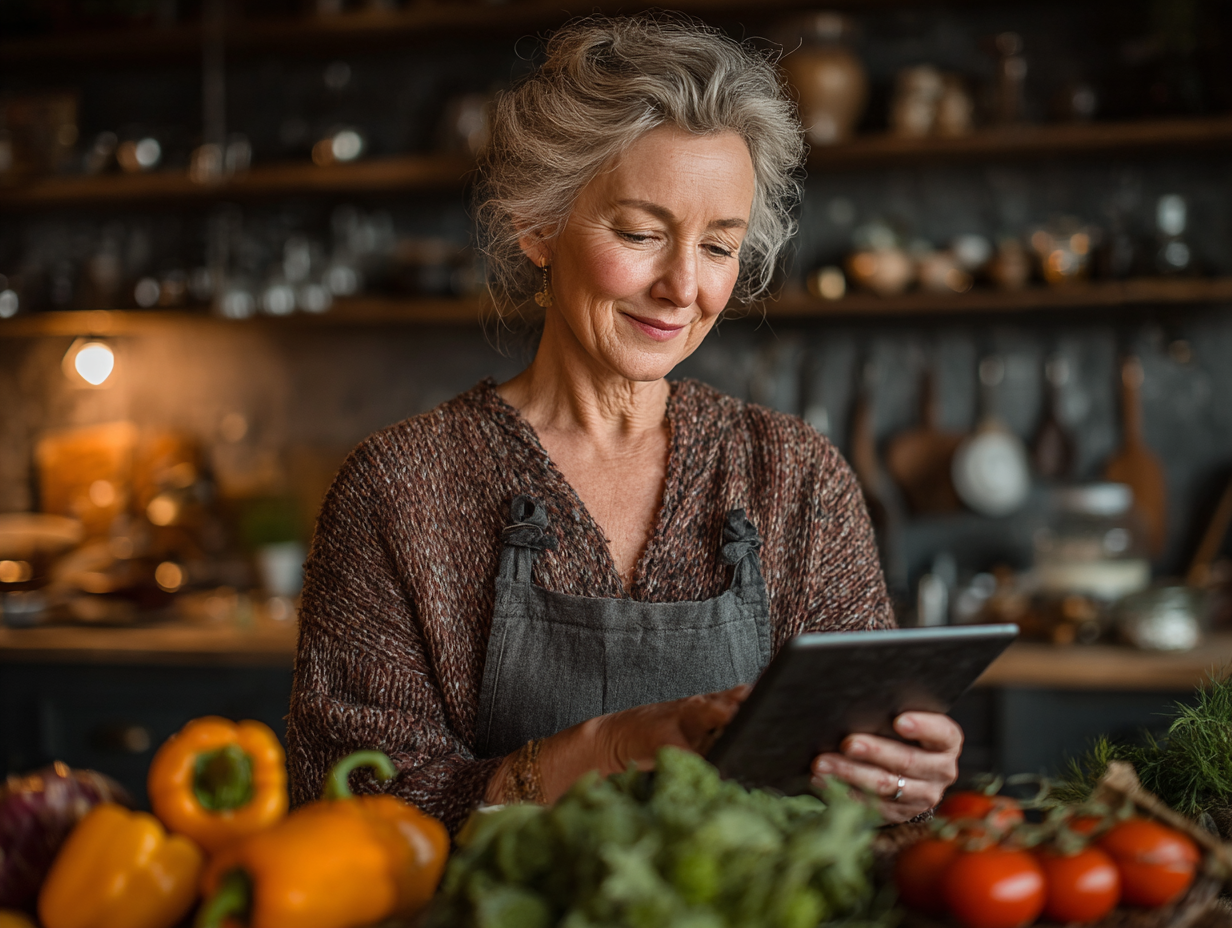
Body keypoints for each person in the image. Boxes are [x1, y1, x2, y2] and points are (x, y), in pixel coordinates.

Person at [287, 13, 962, 832]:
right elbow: (350, 820)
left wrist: (894, 778)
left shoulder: (795, 475)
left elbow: (862, 806)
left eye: (719, 247)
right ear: (538, 226)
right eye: (642, 233)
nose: (684, 286)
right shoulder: (400, 489)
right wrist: (610, 749)